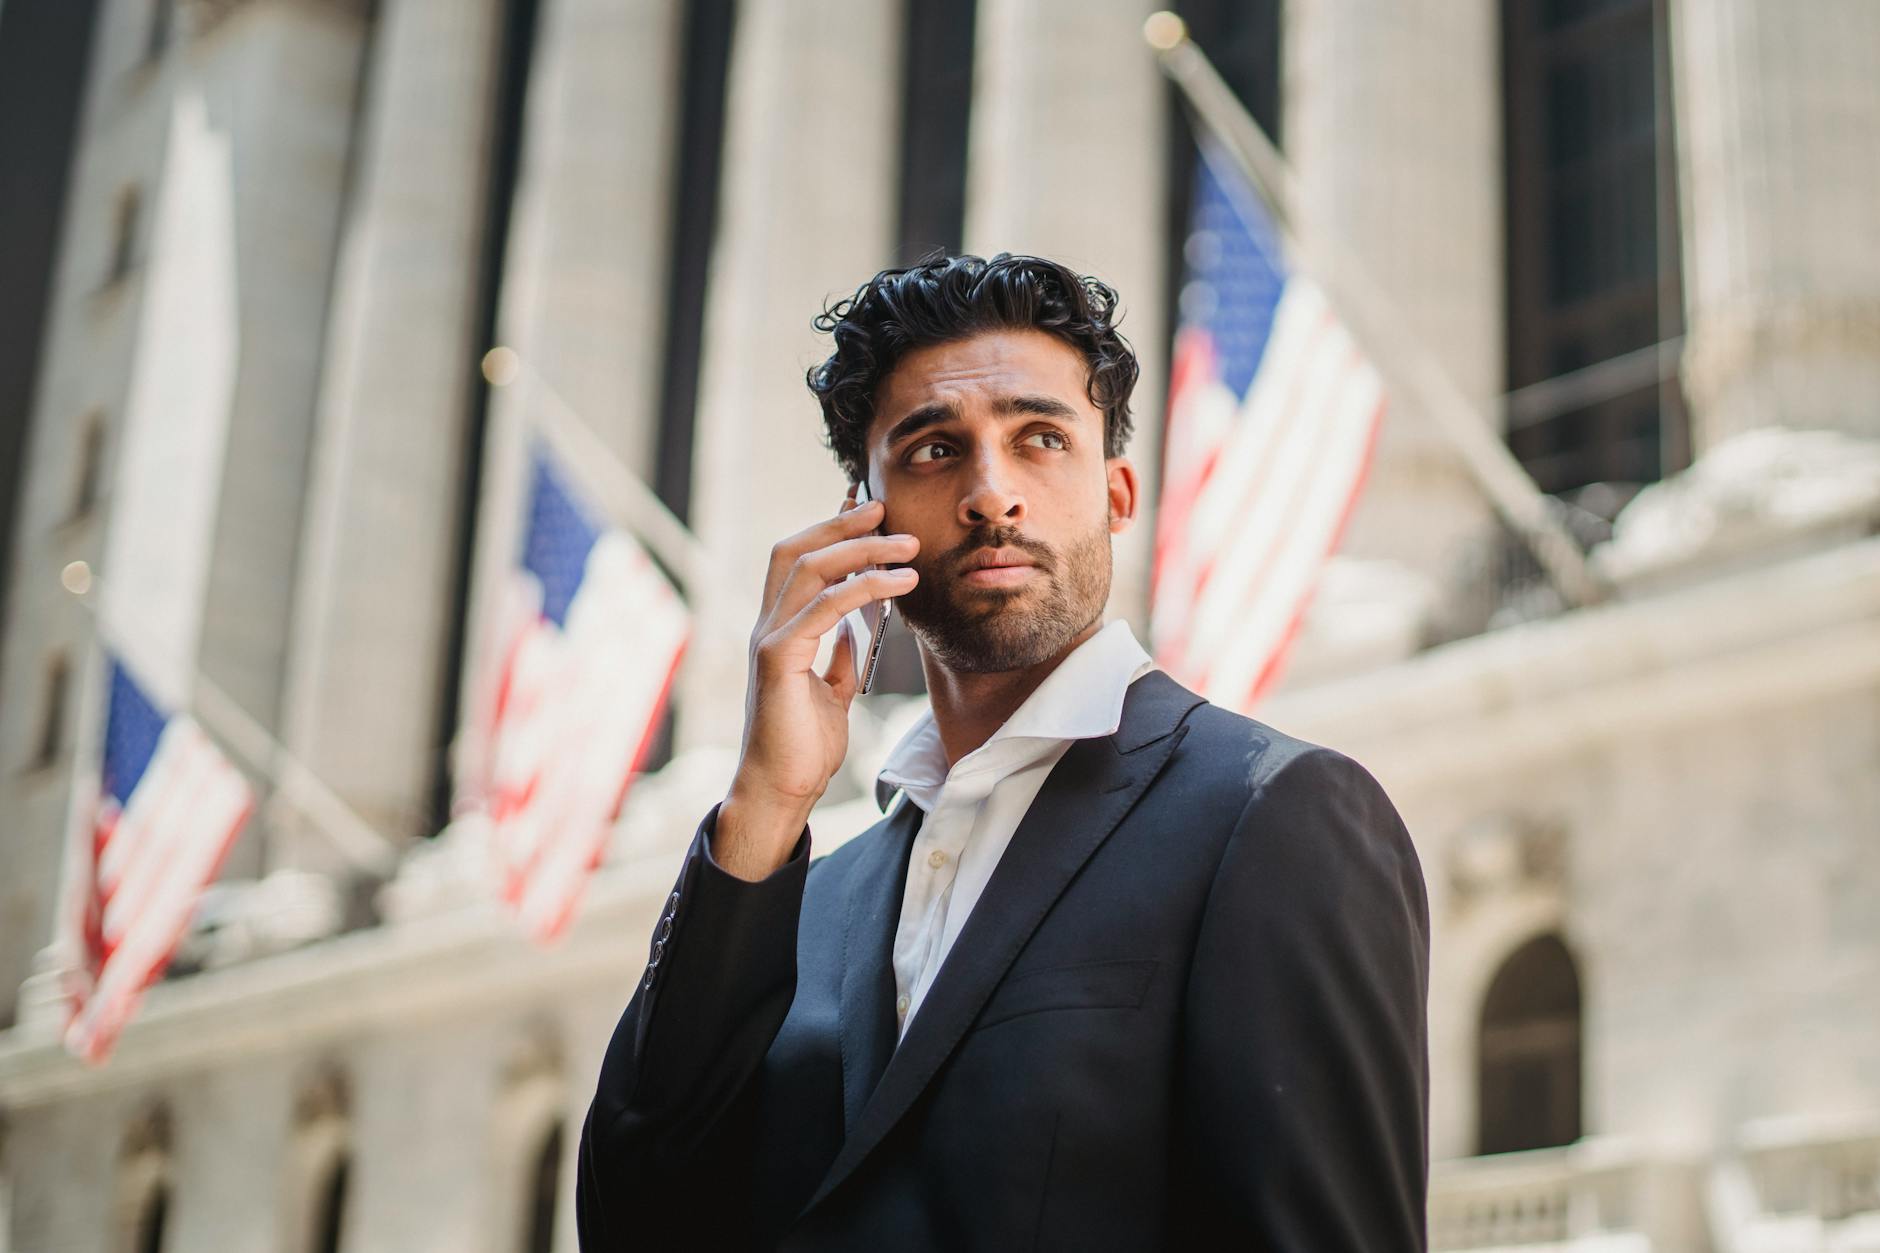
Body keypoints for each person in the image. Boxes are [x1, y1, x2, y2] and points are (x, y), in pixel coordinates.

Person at [576, 253, 1430, 1251]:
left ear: (1115, 491)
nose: (991, 494)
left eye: (1038, 439)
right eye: (935, 449)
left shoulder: (1273, 815)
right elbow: (632, 1217)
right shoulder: (796, 894)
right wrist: (764, 798)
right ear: (868, 514)